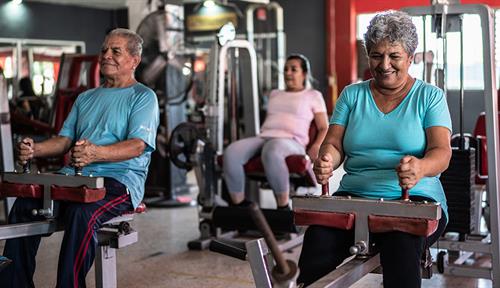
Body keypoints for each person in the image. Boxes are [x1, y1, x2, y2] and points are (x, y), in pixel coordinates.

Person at [297, 11, 452, 288]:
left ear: (410, 57)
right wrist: (327, 159)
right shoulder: (352, 95)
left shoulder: (430, 96)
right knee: (317, 245)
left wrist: (420, 167)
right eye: (376, 55)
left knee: (400, 251)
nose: (384, 64)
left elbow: (442, 152)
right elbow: (333, 144)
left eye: (394, 55)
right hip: (355, 199)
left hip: (414, 201)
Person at [0, 28, 159, 287]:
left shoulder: (142, 97)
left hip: (119, 181)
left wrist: (96, 152)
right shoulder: (86, 98)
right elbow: (64, 141)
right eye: (104, 50)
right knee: (25, 206)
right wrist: (35, 149)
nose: (106, 55)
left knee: (81, 213)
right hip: (74, 179)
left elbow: (137, 146)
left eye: (115, 51)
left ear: (134, 60)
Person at [223, 54, 329, 210]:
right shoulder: (275, 94)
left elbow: (324, 127)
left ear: (304, 74)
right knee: (231, 152)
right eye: (286, 69)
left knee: (272, 150)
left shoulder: (313, 95)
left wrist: (317, 146)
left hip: (292, 141)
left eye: (294, 69)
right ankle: (240, 206)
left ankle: (283, 206)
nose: (288, 73)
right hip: (265, 136)